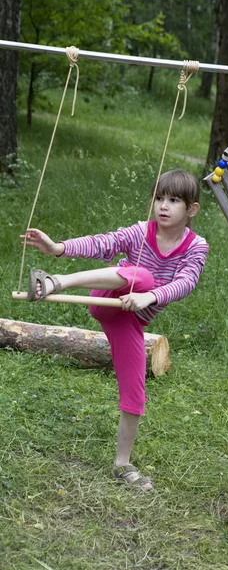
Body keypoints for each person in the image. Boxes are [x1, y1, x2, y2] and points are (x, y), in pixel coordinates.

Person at [20, 170, 208, 491]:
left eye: (173, 200)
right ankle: (55, 281)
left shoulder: (196, 246)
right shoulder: (140, 232)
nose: (163, 206)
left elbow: (186, 282)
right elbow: (103, 242)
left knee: (135, 391)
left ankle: (122, 464)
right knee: (143, 275)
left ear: (191, 209)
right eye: (159, 198)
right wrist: (57, 248)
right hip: (107, 302)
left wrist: (148, 297)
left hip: (130, 319)